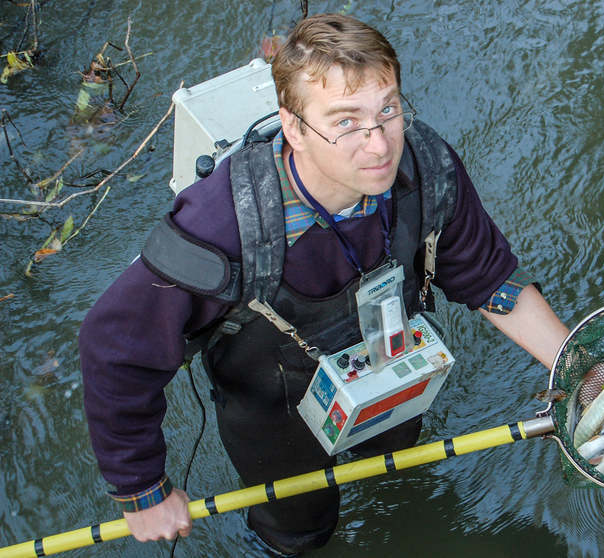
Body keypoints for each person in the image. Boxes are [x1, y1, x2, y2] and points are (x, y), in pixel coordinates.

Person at [79, 13, 570, 556]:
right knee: (300, 531)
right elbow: (114, 351)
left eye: (388, 109)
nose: (379, 145)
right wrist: (143, 490)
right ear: (293, 128)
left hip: (389, 361)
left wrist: (580, 368)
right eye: (344, 122)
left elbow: (492, 279)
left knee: (396, 458)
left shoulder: (428, 168)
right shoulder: (219, 229)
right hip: (274, 406)